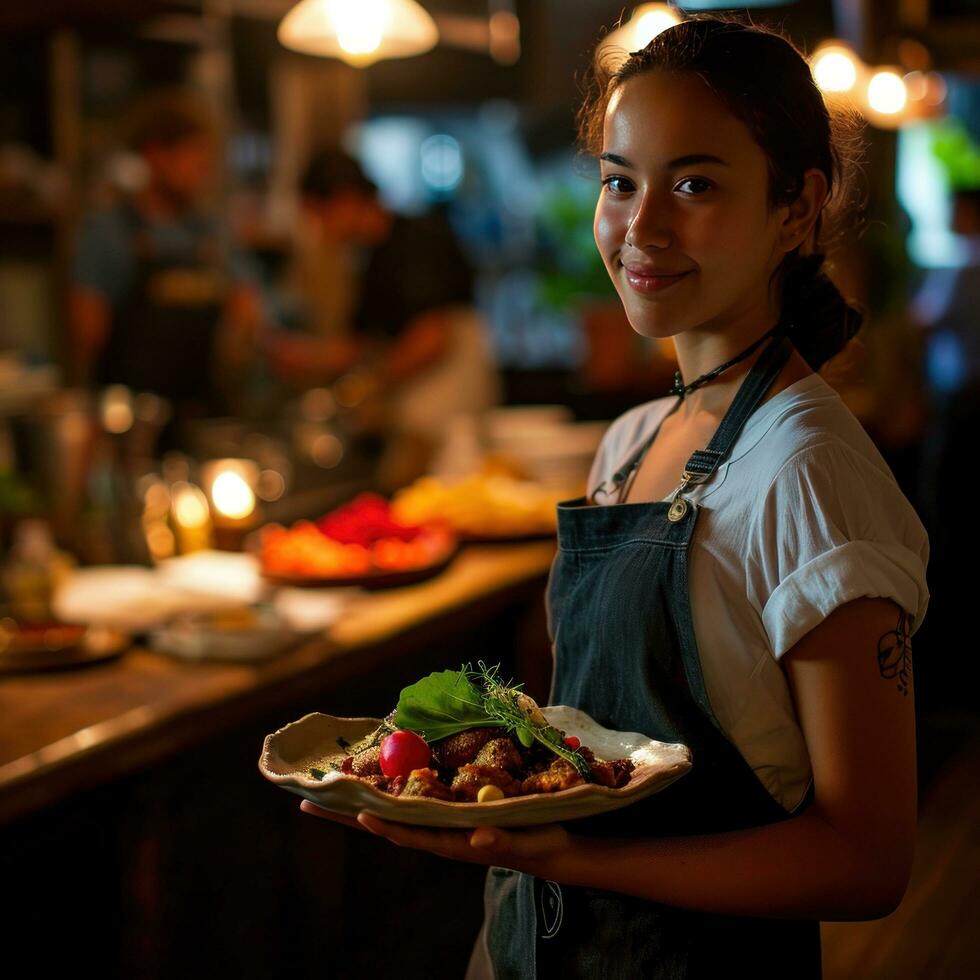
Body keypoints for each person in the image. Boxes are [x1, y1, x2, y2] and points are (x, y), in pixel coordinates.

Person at [299, 16, 930, 978]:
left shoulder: (808, 471)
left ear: (797, 209)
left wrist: (585, 860)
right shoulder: (631, 441)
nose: (642, 227)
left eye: (695, 184)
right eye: (618, 181)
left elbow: (868, 859)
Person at [267, 148, 501, 488]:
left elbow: (433, 338)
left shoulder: (418, 238)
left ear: (345, 201)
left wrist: (366, 385)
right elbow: (363, 344)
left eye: (318, 217)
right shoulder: (368, 259)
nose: (318, 232)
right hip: (416, 409)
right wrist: (307, 357)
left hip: (447, 409)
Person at [69, 88, 264, 448]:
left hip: (202, 415)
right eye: (195, 162)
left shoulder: (211, 231)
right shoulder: (110, 230)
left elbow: (248, 306)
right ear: (155, 155)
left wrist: (243, 334)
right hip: (131, 424)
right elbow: (87, 334)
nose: (203, 174)